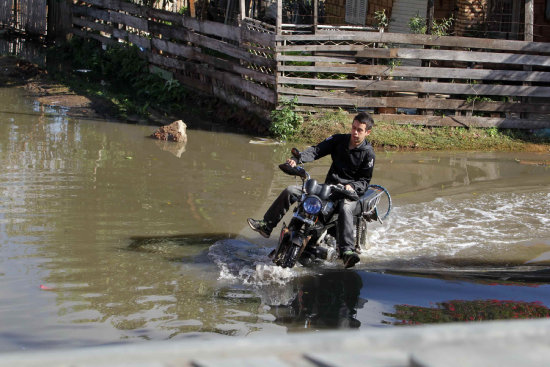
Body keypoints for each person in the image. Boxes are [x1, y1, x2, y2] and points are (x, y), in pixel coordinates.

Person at [247, 112, 375, 268]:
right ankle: (267, 225)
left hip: (348, 193)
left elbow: (364, 181)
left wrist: (352, 186)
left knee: (345, 207)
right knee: (291, 190)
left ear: (367, 132)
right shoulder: (338, 140)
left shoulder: (368, 153)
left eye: (359, 130)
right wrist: (297, 159)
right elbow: (316, 150)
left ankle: (346, 251)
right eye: (353, 128)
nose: (355, 132)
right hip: (329, 188)